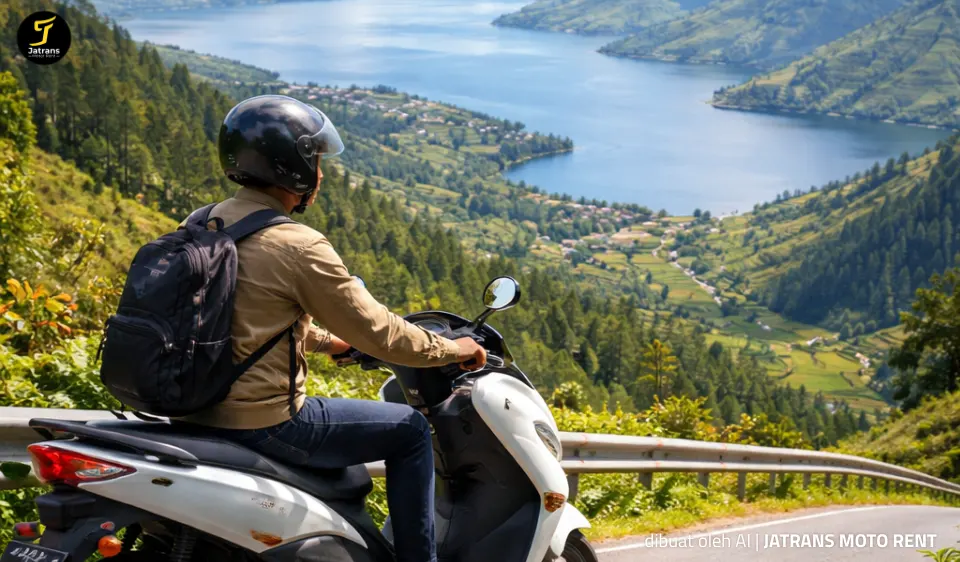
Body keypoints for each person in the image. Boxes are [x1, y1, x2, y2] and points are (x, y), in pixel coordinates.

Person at [180, 94, 486, 562]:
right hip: (262, 423)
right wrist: (452, 348)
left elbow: (240, 318)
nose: (321, 172)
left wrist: (325, 343)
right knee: (408, 430)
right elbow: (381, 334)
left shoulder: (201, 222)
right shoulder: (295, 244)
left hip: (191, 408)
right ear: (293, 166)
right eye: (315, 159)